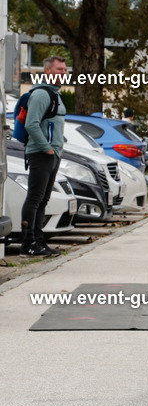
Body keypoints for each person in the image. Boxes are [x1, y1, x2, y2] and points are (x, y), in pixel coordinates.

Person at [20, 55, 69, 256]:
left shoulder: (55, 93)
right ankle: (28, 244)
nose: (64, 73)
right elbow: (31, 124)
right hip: (41, 154)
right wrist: (46, 148)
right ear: (47, 70)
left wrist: (57, 149)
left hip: (53, 155)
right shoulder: (41, 94)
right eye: (59, 69)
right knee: (34, 198)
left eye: (65, 70)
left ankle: (39, 242)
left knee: (42, 200)